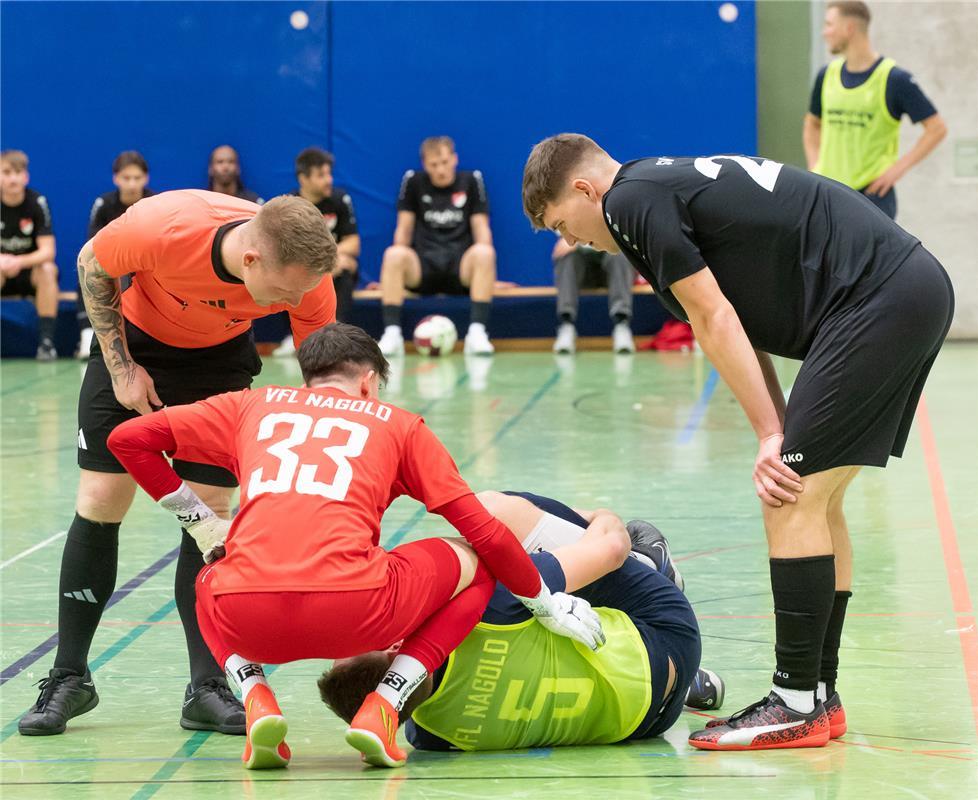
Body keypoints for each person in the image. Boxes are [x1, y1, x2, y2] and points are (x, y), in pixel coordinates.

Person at [522, 134, 954, 750]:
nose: (573, 242)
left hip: (878, 296)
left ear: (587, 190)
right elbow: (735, 323)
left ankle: (794, 701)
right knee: (815, 498)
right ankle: (818, 697)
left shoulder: (630, 202)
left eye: (565, 224)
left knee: (789, 495)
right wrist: (777, 428)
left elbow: (714, 318)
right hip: (902, 289)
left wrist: (771, 435)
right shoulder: (652, 189)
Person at [106, 323, 605, 769]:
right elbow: (485, 531)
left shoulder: (249, 405)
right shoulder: (397, 423)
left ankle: (255, 694)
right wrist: (545, 603)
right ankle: (384, 706)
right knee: (477, 561)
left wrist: (204, 526)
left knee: (207, 578)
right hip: (357, 610)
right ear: (369, 382)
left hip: (248, 620)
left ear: (308, 377)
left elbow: (128, 440)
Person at [18, 191, 338, 738]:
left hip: (219, 362)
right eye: (287, 292)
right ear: (251, 261)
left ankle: (206, 687)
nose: (296, 301)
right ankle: (69, 676)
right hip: (135, 343)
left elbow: (321, 376)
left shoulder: (307, 278)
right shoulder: (164, 227)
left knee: (209, 511)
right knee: (100, 501)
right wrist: (121, 369)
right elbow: (91, 264)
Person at [321, 490, 725, 754]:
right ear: (394, 648)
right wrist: (601, 516)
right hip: (666, 631)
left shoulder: (430, 734)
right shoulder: (483, 608)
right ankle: (653, 564)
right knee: (491, 516)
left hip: (647, 721)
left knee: (546, 631)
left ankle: (690, 683)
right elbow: (611, 549)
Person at [803, 1, 947, 220]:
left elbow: (937, 129)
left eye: (829, 24)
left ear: (849, 28)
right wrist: (815, 167)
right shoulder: (827, 75)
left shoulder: (894, 79)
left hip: (872, 198)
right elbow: (812, 125)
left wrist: (895, 171)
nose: (824, 32)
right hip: (828, 193)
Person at [377, 137, 495, 357]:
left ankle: (477, 333)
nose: (440, 169)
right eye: (434, 164)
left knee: (485, 252)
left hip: (460, 268)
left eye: (444, 161)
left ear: (454, 159)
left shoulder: (472, 180)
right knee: (393, 254)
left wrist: (488, 274)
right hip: (424, 266)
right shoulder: (413, 181)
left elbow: (482, 229)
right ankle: (392, 334)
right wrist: (392, 277)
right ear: (425, 164)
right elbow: (403, 230)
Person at [273, 147, 360, 356]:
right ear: (303, 178)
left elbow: (353, 243)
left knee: (346, 265)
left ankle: (336, 332)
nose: (329, 180)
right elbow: (282, 248)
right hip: (304, 267)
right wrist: (322, 260)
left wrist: (331, 259)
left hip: (335, 266)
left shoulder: (340, 200)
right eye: (321, 175)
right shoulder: (289, 205)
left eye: (329, 174)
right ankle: (293, 335)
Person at [78, 151, 154, 359]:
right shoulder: (103, 204)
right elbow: (92, 244)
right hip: (114, 263)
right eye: (126, 178)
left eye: (137, 178)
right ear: (116, 178)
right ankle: (88, 333)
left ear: (145, 178)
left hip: (146, 267)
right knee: (86, 269)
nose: (131, 184)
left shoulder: (154, 203)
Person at [0, 150, 60, 360]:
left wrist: (18, 261)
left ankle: (46, 343)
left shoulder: (37, 203)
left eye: (18, 172)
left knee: (47, 269)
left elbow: (48, 251)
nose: (12, 178)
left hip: (28, 273)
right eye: (6, 172)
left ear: (26, 176)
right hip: (2, 274)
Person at [551, 238, 635, 354]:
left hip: (610, 269)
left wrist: (578, 243)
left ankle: (621, 325)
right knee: (566, 254)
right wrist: (572, 243)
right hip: (584, 274)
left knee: (620, 251)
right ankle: (566, 325)